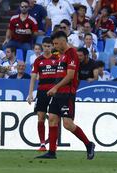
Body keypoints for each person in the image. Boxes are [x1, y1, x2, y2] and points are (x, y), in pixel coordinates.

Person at [36, 31, 95, 159]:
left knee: (67, 124)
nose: (55, 46)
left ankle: (89, 144)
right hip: (58, 93)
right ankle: (52, 152)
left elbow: (70, 76)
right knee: (52, 118)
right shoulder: (61, 55)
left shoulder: (72, 53)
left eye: (56, 43)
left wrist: (55, 87)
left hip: (67, 93)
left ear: (63, 41)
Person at [27, 37, 59, 151]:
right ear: (42, 46)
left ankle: (53, 143)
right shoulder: (38, 60)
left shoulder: (57, 59)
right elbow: (33, 77)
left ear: (52, 46)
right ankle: (42, 144)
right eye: (44, 46)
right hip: (42, 91)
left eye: (49, 46)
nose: (46, 48)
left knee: (53, 117)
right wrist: (30, 94)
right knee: (41, 118)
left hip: (55, 91)